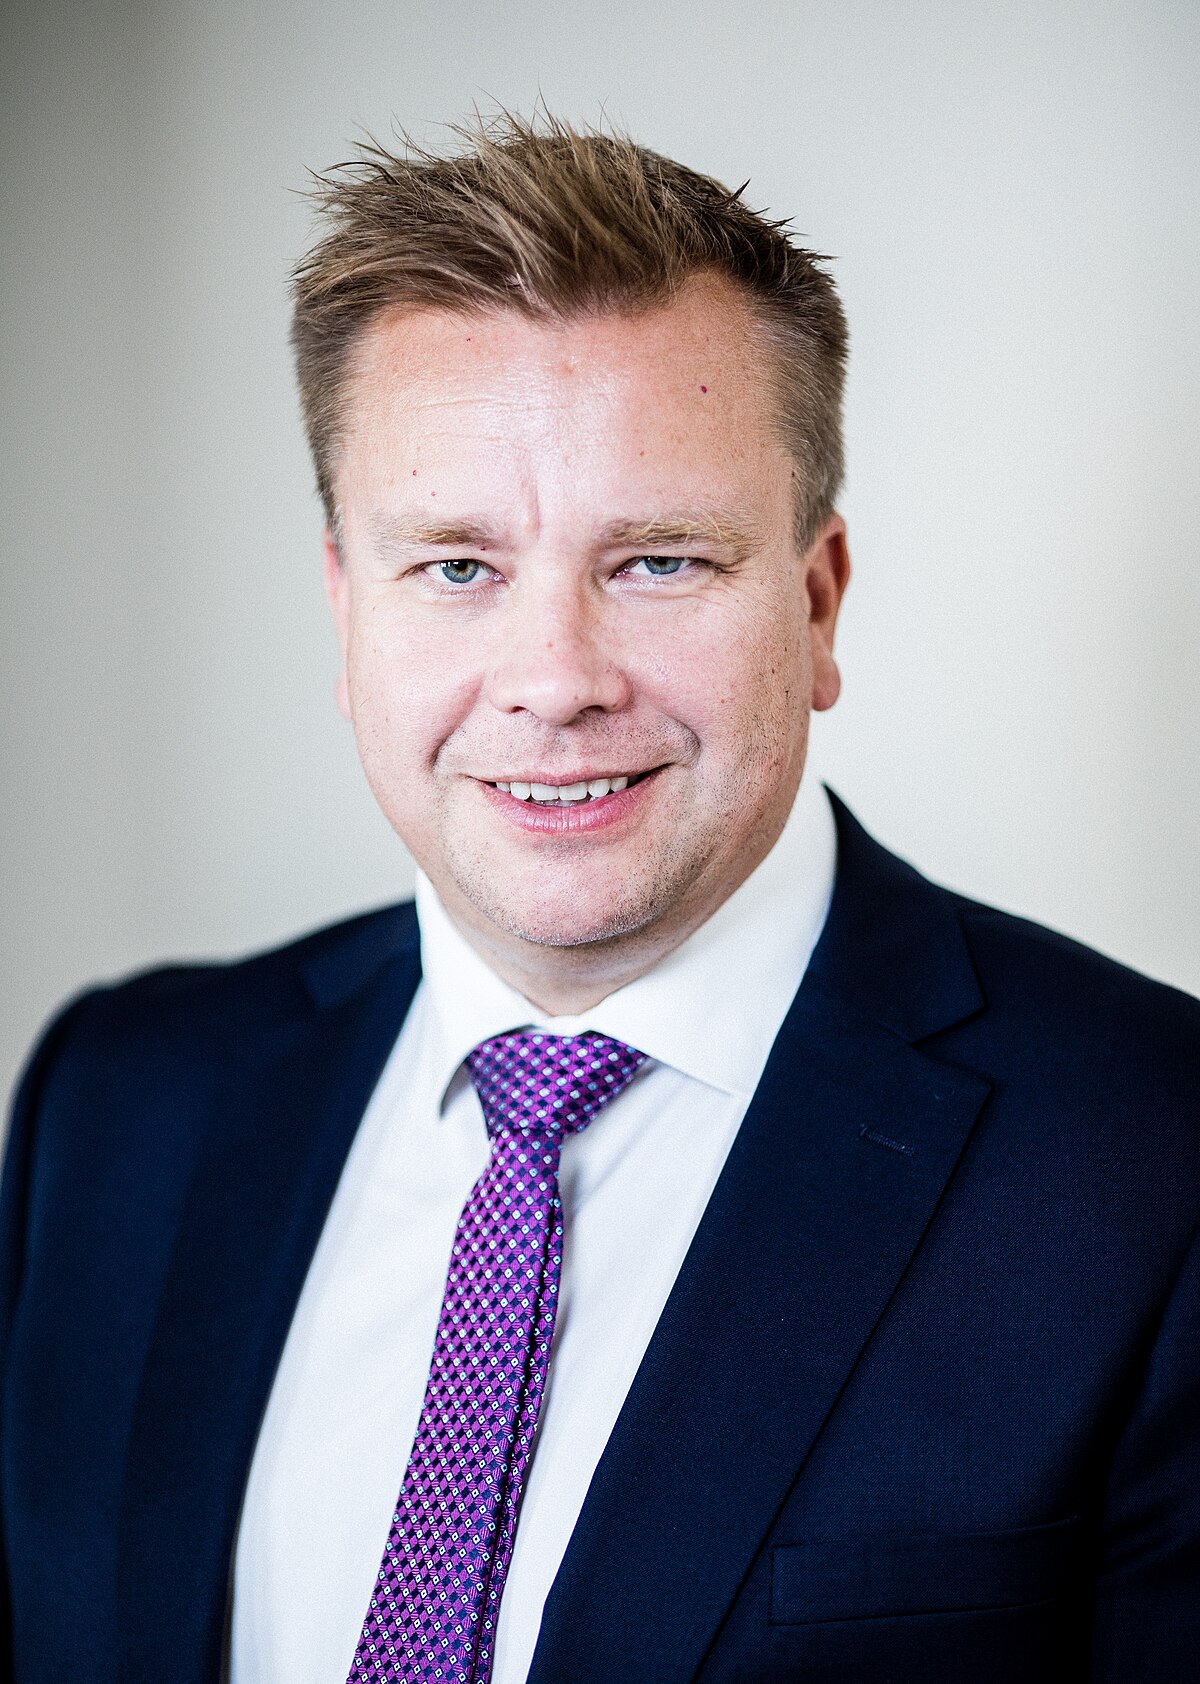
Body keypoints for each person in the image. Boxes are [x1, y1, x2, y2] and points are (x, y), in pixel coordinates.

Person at [2, 113, 1198, 1684]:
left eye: (657, 563)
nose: (556, 681)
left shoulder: (1154, 1156)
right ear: (345, 606)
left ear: (819, 601)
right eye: (456, 566)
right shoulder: (116, 1103)